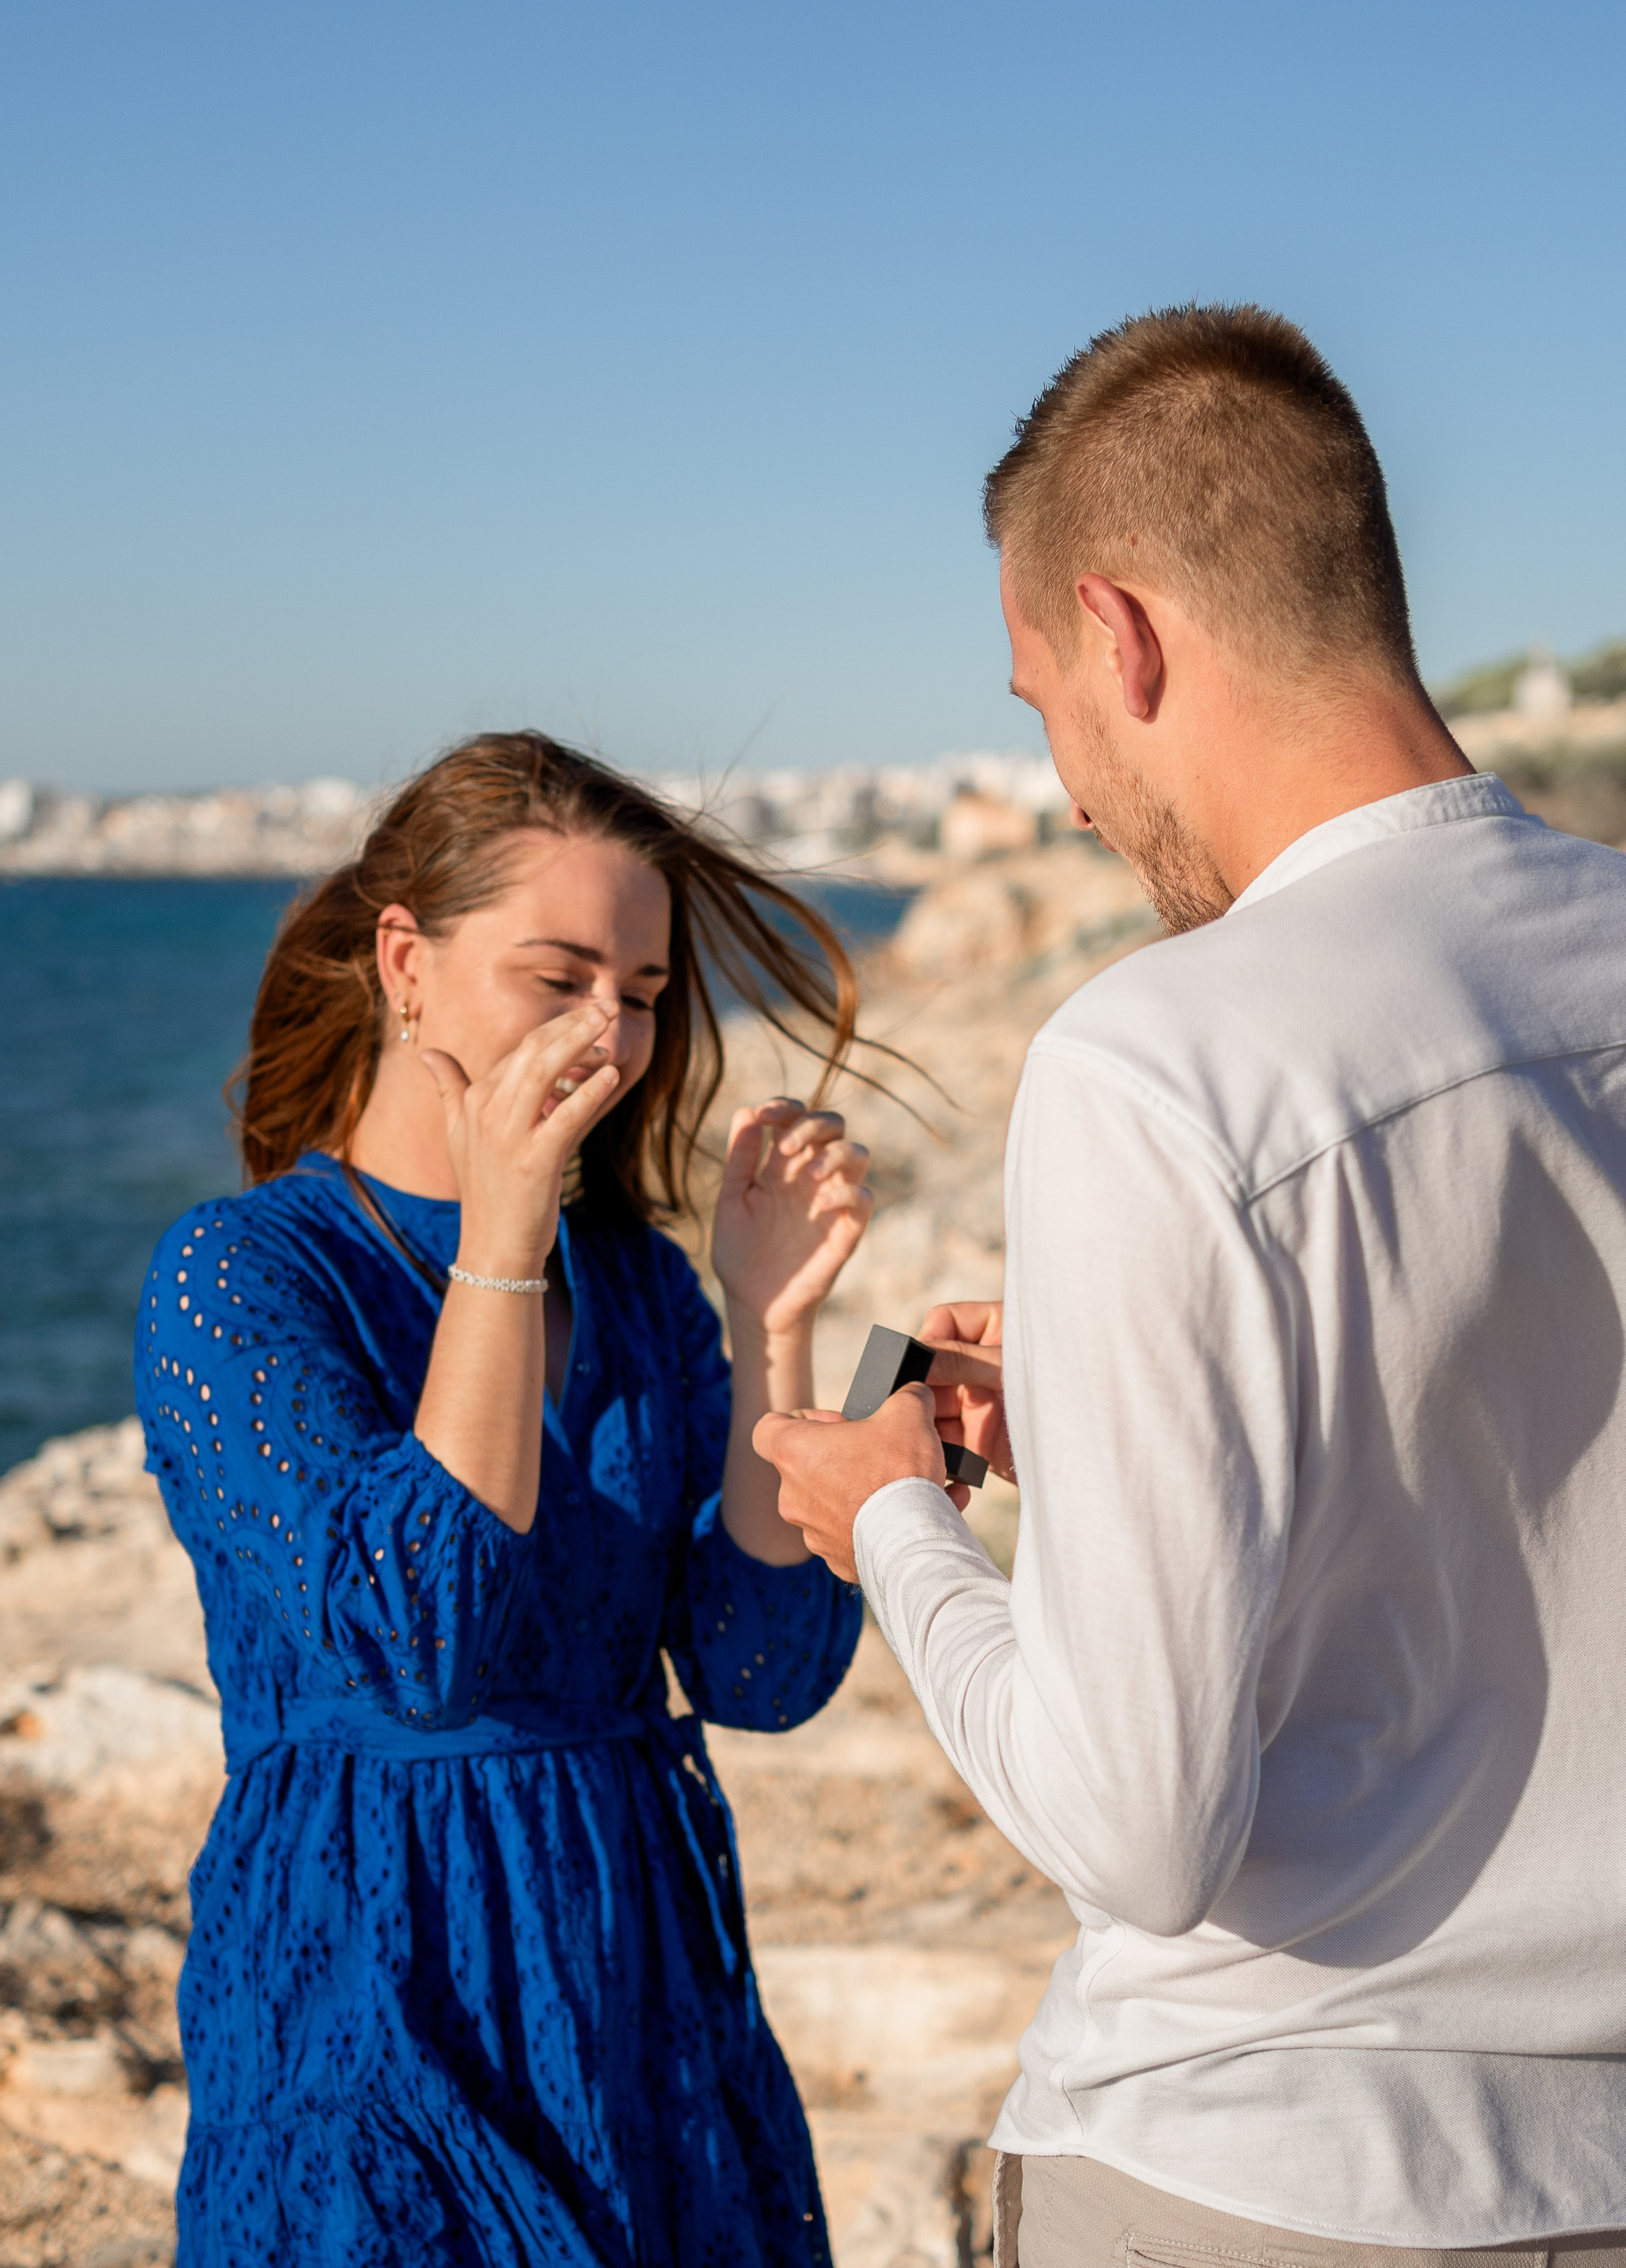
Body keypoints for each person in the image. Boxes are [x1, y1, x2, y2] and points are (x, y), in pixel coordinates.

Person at [757, 305, 1626, 2265]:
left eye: (1041, 703)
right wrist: (1102, 1407)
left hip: (1265, 2168)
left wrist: (892, 1515)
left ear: (1121, 633)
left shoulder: (1157, 1063)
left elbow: (1137, 1830)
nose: (1068, 789)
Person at [136, 730, 876, 2268]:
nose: (609, 1033)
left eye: (644, 992)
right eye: (558, 978)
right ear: (406, 965)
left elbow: (758, 1668)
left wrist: (770, 1325)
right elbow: (418, 1638)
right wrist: (499, 1237)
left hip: (635, 1975)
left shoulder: (641, 1285)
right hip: (368, 1979)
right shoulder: (239, 1274)